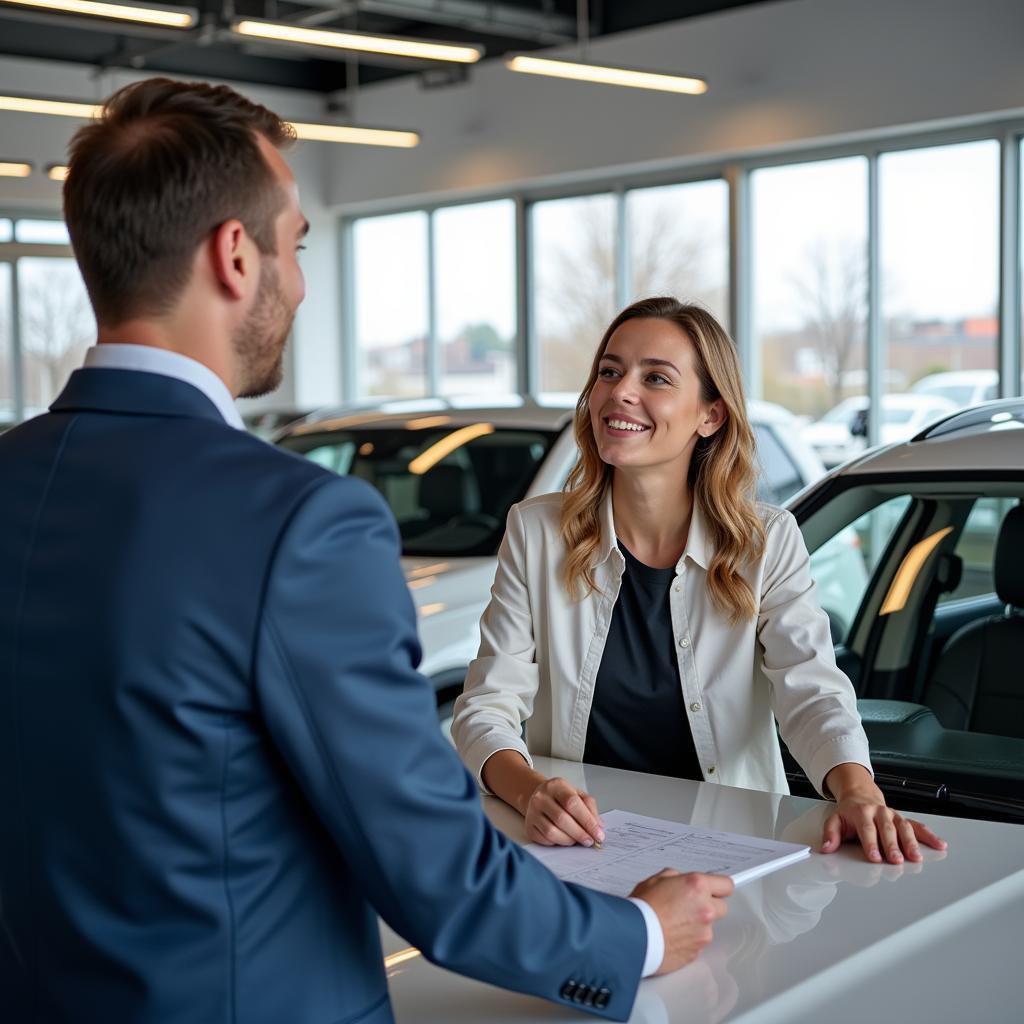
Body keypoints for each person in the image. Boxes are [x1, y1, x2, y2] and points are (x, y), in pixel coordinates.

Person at [0, 83, 734, 1023]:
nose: (301, 282)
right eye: (296, 245)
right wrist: (634, 936)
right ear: (235, 255)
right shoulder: (297, 521)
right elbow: (433, 871)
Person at [452, 297, 947, 865]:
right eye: (609, 371)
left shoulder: (768, 541)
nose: (619, 391)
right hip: (576, 845)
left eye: (655, 377)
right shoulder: (536, 530)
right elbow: (486, 707)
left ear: (710, 415)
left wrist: (858, 792)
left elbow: (810, 689)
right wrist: (530, 789)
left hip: (729, 850)